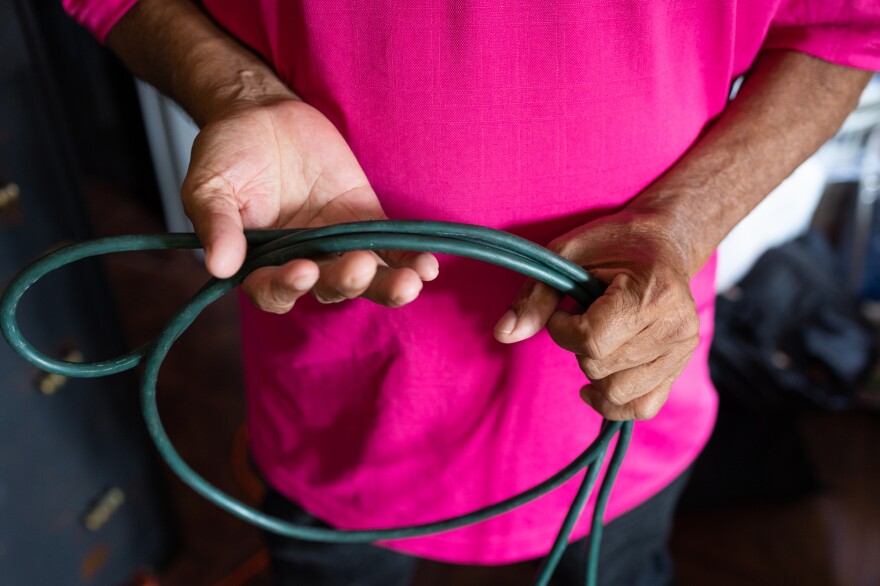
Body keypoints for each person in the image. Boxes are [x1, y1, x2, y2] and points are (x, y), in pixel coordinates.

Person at [64, 0, 879, 584]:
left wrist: (682, 222)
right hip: (340, 393)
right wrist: (239, 93)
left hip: (615, 399)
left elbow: (845, 28)